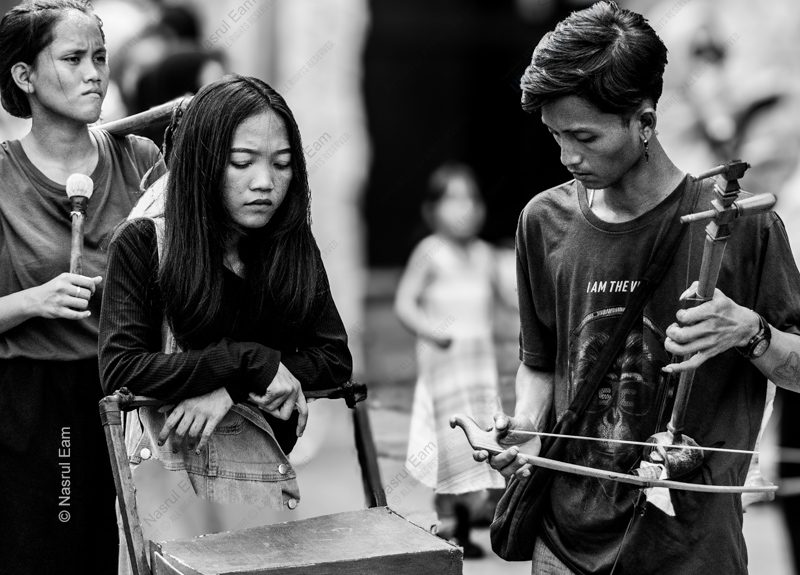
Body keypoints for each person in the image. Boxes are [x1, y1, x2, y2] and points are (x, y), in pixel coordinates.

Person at [471, 2, 800, 574]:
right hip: (562, 548)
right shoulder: (542, 221)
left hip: (690, 555)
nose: (569, 157)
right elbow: (542, 362)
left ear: (644, 121)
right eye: (555, 136)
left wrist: (750, 332)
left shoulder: (742, 227)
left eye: (585, 137)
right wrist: (522, 428)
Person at [98, 74, 352, 566]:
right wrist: (246, 361)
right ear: (203, 164)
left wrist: (230, 389)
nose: (266, 183)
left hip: (260, 478)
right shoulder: (144, 244)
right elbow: (122, 370)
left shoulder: (290, 244)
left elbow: (334, 359)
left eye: (282, 165)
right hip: (169, 472)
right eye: (242, 163)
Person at [0, 1, 164, 573]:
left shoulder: (140, 161)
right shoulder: (2, 175)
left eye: (100, 56)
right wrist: (32, 300)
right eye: (73, 58)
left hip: (120, 390)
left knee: (101, 554)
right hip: (28, 400)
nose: (95, 71)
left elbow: (182, 277)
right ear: (25, 76)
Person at [395, 163, 508, 558]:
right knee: (448, 451)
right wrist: (430, 329)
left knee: (478, 451)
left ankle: (465, 524)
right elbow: (405, 302)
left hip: (478, 374)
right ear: (433, 209)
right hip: (444, 374)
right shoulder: (431, 252)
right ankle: (451, 529)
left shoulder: (484, 255)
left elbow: (512, 300)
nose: (465, 208)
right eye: (453, 199)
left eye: (471, 199)